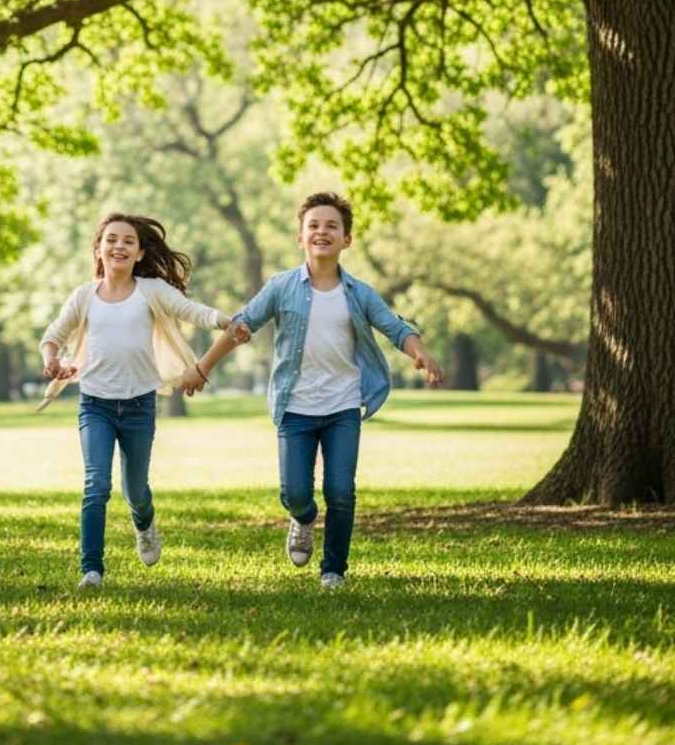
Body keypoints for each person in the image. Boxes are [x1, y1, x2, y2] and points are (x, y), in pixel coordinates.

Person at [183, 191, 443, 590]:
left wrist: (419, 352)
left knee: (341, 490)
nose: (322, 232)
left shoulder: (359, 293)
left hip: (343, 405)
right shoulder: (281, 287)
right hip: (295, 407)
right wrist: (202, 367)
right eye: (314, 226)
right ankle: (303, 519)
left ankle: (333, 570)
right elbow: (241, 325)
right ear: (300, 237)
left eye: (331, 226)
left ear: (346, 239)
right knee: (295, 493)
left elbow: (394, 327)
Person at [39, 212, 248, 591]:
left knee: (135, 490)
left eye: (128, 242)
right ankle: (92, 569)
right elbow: (53, 334)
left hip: (138, 407)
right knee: (95, 485)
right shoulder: (84, 296)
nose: (119, 246)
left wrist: (226, 322)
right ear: (99, 249)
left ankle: (144, 523)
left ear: (138, 253)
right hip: (95, 406)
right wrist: (51, 360)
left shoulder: (151, 290)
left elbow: (192, 311)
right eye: (111, 240)